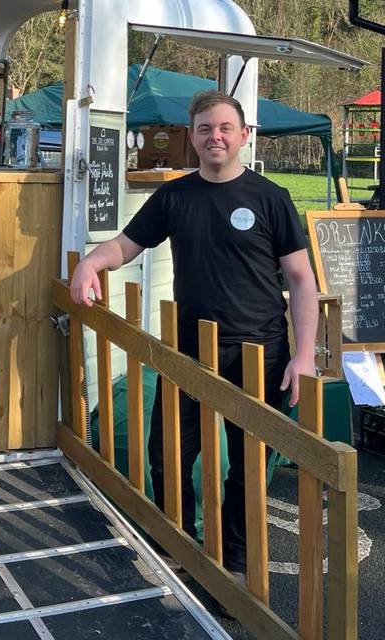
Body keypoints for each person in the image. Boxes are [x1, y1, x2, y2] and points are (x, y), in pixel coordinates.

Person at [69, 90, 318, 578]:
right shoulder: (174, 196)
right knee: (168, 452)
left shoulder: (271, 199)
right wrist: (92, 264)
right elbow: (126, 244)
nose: (215, 137)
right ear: (193, 137)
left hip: (259, 351)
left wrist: (304, 354)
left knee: (248, 466)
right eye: (205, 129)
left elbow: (301, 279)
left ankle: (238, 566)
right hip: (188, 349)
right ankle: (172, 550)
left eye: (225, 127)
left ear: (244, 135)